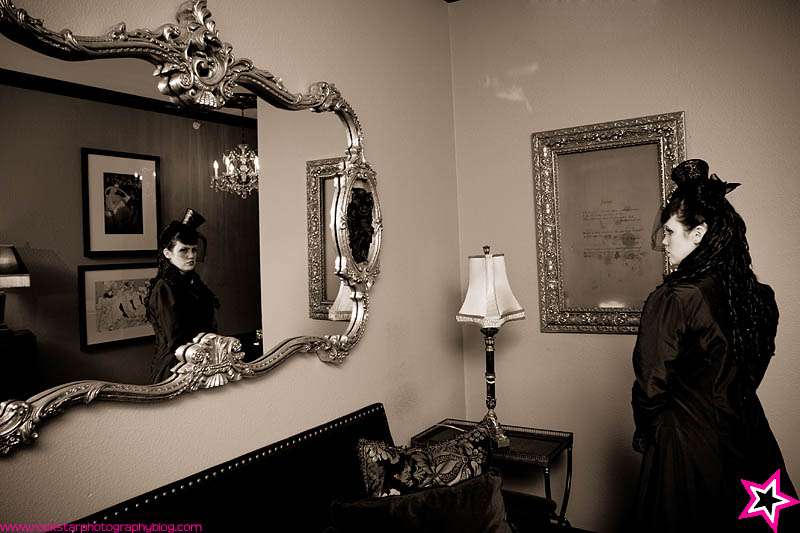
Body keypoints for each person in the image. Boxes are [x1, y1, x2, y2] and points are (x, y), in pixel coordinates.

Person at [631, 159, 797, 532]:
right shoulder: (759, 297)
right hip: (750, 438)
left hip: (686, 447)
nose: (663, 242)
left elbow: (650, 387)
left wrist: (652, 434)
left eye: (670, 231)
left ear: (699, 233)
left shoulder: (676, 297)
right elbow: (750, 372)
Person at [144, 208, 219, 383]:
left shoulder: (195, 283)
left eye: (194, 250)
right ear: (167, 253)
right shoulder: (164, 288)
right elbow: (175, 341)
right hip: (176, 367)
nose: (191, 256)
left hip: (202, 362)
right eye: (184, 250)